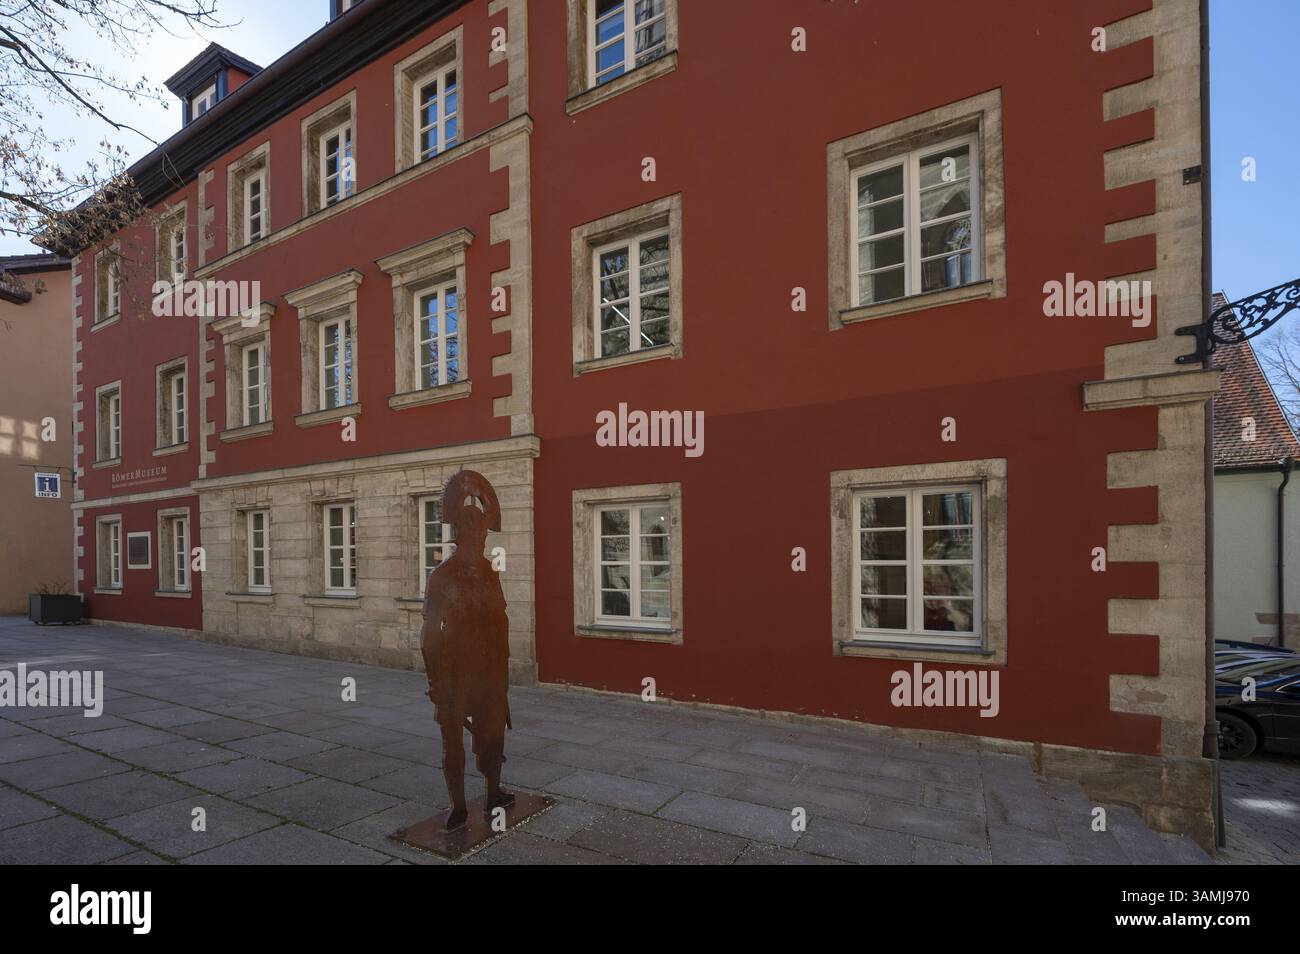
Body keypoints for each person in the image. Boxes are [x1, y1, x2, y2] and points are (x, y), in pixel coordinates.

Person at [420, 470, 513, 830]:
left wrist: (502, 670)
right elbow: (430, 630)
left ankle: (493, 792)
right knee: (453, 741)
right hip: (455, 669)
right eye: (471, 530)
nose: (477, 536)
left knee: (492, 734)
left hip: (489, 668)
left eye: (482, 531)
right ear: (459, 533)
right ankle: (457, 805)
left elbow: (500, 618)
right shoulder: (443, 575)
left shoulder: (491, 571)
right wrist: (436, 678)